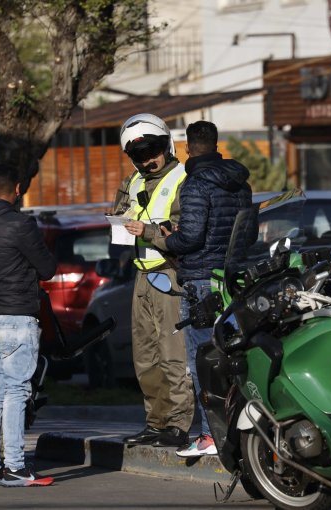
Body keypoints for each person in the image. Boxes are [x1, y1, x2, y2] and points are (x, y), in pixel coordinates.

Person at [151, 121, 252, 457]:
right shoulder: (240, 182)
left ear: (187, 148)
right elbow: (249, 232)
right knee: (235, 356)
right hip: (234, 278)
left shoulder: (195, 183)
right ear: (216, 144)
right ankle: (241, 430)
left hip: (201, 280)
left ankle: (211, 436)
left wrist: (169, 239)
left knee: (204, 361)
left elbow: (192, 237)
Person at [0, 162, 57, 487]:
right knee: (17, 390)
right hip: (17, 315)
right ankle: (15, 466)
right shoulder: (20, 224)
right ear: (18, 190)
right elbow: (47, 268)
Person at [115, 113, 194, 448]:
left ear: (167, 145)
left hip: (170, 273)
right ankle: (156, 422)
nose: (148, 160)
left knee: (173, 353)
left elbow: (185, 232)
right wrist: (118, 221)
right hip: (143, 276)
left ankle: (179, 423)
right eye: (139, 155)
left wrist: (148, 231)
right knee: (146, 356)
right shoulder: (132, 182)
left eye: (153, 151)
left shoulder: (183, 178)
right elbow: (120, 212)